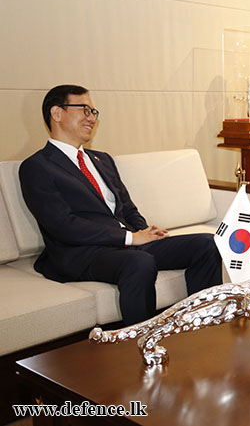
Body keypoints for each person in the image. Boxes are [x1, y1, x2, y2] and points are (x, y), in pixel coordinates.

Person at [20, 84, 223, 325]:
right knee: (139, 261)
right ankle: (141, 343)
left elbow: (127, 207)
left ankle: (205, 324)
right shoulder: (37, 167)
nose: (91, 117)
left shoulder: (101, 159)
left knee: (207, 244)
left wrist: (145, 232)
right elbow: (63, 225)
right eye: (84, 109)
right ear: (56, 113)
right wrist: (129, 239)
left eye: (94, 112)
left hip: (124, 244)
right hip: (81, 252)